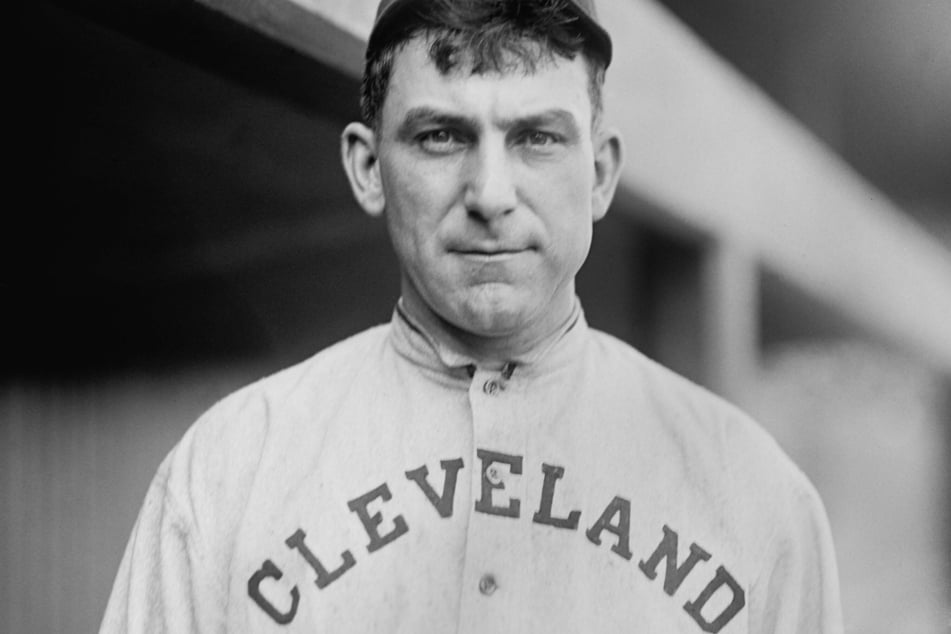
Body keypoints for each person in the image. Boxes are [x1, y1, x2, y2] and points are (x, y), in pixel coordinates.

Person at [100, 1, 843, 632]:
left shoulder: (751, 492)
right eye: (440, 136)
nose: (490, 193)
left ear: (600, 173)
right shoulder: (230, 470)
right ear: (367, 168)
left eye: (537, 138)